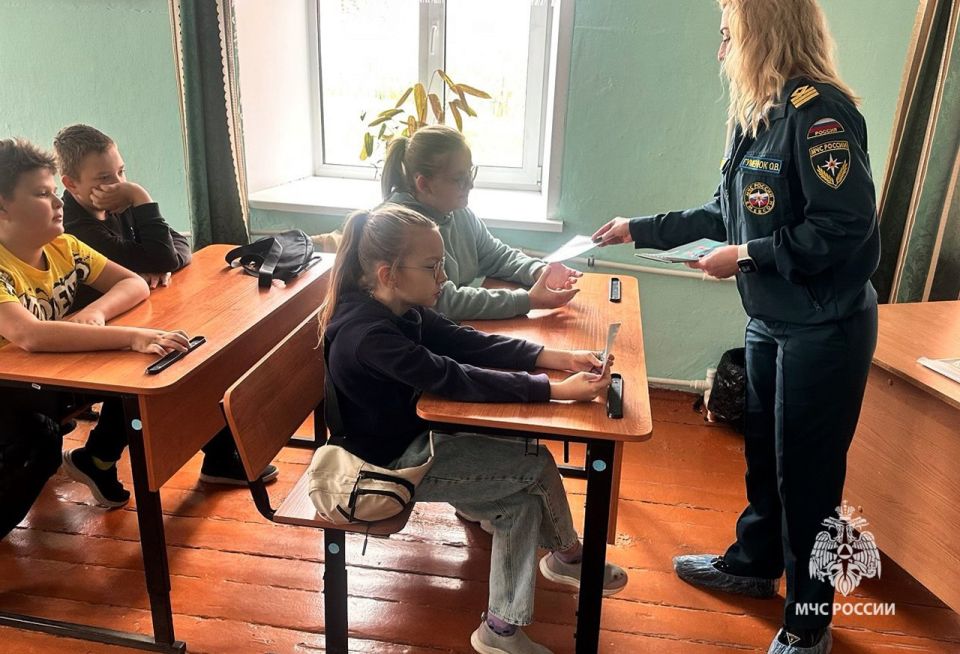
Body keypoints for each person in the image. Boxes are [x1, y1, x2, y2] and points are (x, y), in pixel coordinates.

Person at [591, 2, 879, 652]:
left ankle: (808, 624)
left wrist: (746, 256)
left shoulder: (819, 115)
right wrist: (641, 229)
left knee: (808, 478)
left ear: (764, 35)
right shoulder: (760, 115)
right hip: (772, 319)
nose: (722, 52)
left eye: (729, 36)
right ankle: (753, 565)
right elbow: (728, 210)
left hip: (824, 327)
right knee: (764, 456)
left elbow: (844, 228)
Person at [320, 204, 628, 654]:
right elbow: (453, 377)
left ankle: (501, 629)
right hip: (387, 468)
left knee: (519, 502)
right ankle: (569, 556)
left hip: (415, 439)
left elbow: (468, 343)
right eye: (432, 266)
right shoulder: (369, 336)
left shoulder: (400, 309)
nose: (444, 276)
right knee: (534, 463)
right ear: (389, 274)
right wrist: (556, 390)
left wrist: (558, 358)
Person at [52, 124, 276, 488]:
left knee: (202, 344)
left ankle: (217, 456)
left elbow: (178, 247)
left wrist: (156, 260)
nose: (119, 184)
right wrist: (140, 196)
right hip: (92, 336)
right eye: (105, 178)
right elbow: (164, 255)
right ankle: (98, 458)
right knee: (168, 359)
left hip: (135, 313)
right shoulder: (76, 228)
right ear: (71, 184)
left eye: (122, 172)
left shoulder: (117, 205)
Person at [0, 137, 189, 513]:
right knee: (41, 442)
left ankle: (98, 460)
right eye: (42, 194)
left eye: (54, 193)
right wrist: (131, 337)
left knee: (146, 372)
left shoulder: (65, 247)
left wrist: (98, 313)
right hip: (10, 391)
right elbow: (29, 334)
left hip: (46, 378)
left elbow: (134, 283)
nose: (58, 204)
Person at [381, 125, 581, 320]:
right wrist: (527, 300)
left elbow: (495, 255)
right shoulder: (402, 227)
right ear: (423, 184)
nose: (471, 184)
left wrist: (539, 271)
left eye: (470, 172)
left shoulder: (457, 211)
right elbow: (444, 301)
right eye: (459, 178)